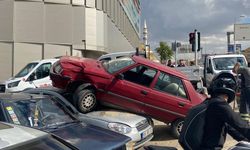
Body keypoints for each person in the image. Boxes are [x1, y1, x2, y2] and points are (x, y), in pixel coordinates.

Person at [200, 77, 250, 150]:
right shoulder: (220, 104)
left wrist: (246, 140)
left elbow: (231, 128)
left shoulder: (209, 103)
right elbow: (239, 124)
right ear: (228, 95)